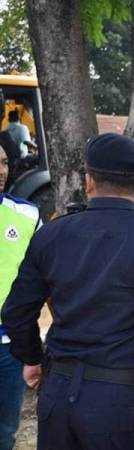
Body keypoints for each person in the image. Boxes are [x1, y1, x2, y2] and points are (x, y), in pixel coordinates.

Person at [1, 133, 134, 450]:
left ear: (89, 181)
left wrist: (31, 357)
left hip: (59, 394)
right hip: (123, 403)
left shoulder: (53, 233)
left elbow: (16, 310)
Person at [0, 144, 41, 450]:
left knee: (5, 433)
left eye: (3, 163)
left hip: (8, 349)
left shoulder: (27, 215)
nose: (1, 171)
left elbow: (51, 276)